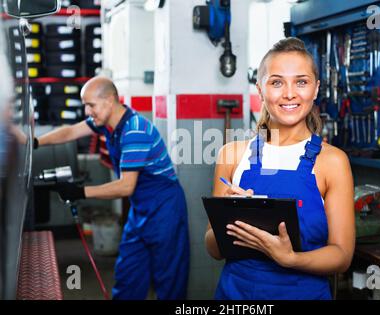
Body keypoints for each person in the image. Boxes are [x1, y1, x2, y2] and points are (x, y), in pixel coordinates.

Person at [205, 37, 355, 300]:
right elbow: (214, 249)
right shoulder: (231, 155)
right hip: (237, 295)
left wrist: (291, 259)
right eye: (276, 82)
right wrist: (226, 218)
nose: (289, 93)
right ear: (260, 90)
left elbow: (342, 256)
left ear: (316, 88)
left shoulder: (333, 162)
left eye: (301, 81)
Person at [35, 76, 190, 300]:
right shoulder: (106, 123)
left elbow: (126, 186)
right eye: (85, 105)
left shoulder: (134, 131)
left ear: (109, 101)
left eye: (91, 105)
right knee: (128, 274)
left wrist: (80, 192)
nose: (88, 111)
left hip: (165, 211)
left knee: (169, 281)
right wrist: (35, 142)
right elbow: (70, 132)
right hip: (141, 211)